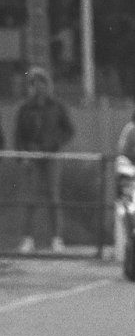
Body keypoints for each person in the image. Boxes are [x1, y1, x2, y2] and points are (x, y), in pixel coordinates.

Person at [13, 66, 75, 254]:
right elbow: (18, 135)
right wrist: (22, 155)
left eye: (41, 83)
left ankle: (57, 239)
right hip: (31, 156)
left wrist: (55, 143)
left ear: (47, 85)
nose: (38, 87)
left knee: (53, 196)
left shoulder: (57, 106)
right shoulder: (24, 108)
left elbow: (69, 130)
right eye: (33, 83)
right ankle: (28, 239)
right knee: (30, 198)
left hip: (51, 156)